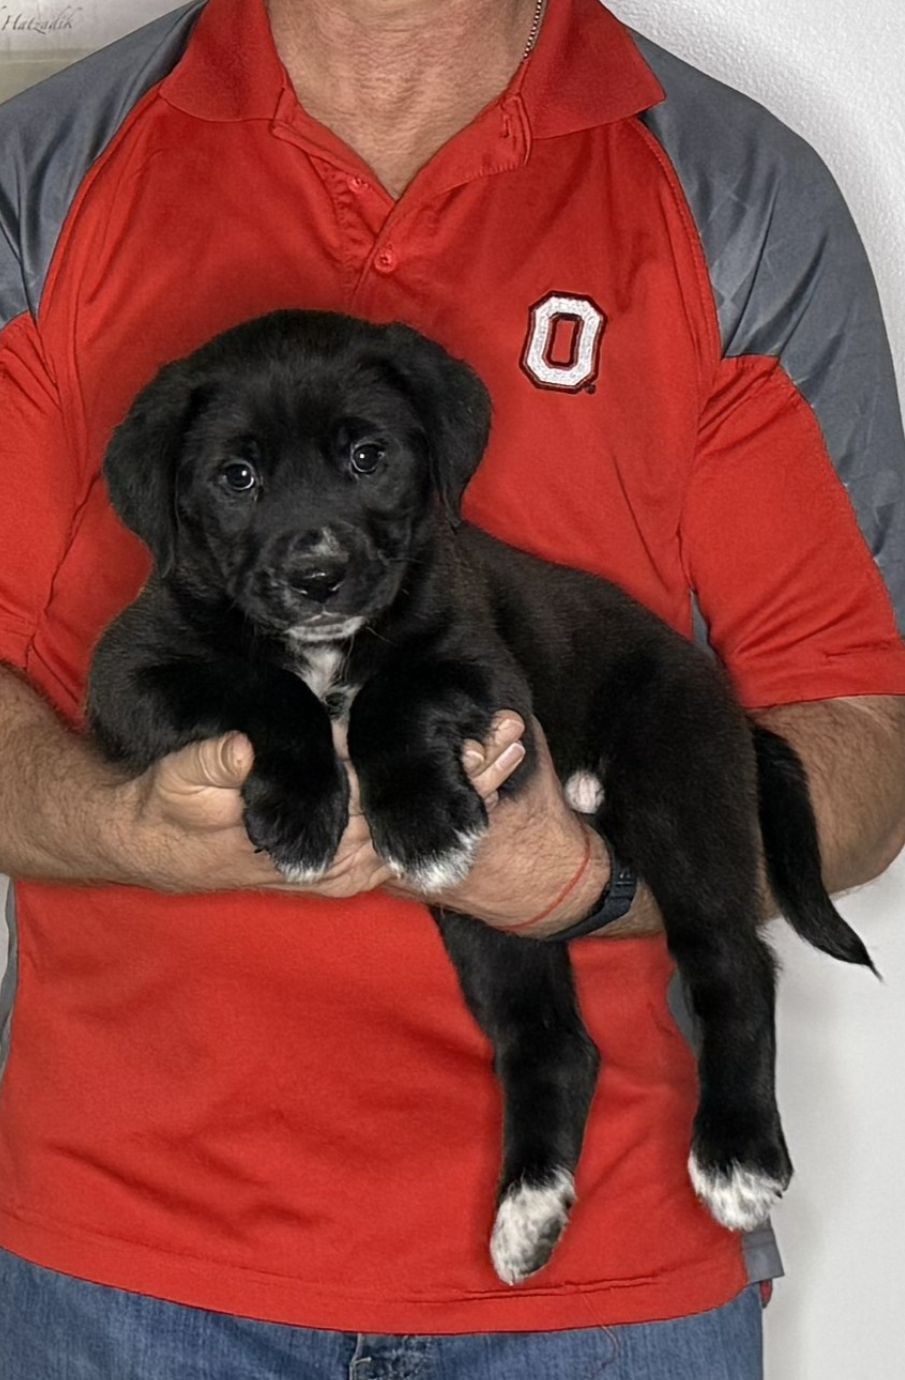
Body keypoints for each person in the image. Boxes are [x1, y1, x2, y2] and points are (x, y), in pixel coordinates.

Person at [0, 0, 904, 1375]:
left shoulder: (737, 194)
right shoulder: (42, 174)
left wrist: (589, 883)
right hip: (121, 1270)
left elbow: (859, 736)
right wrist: (127, 831)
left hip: (608, 1294)